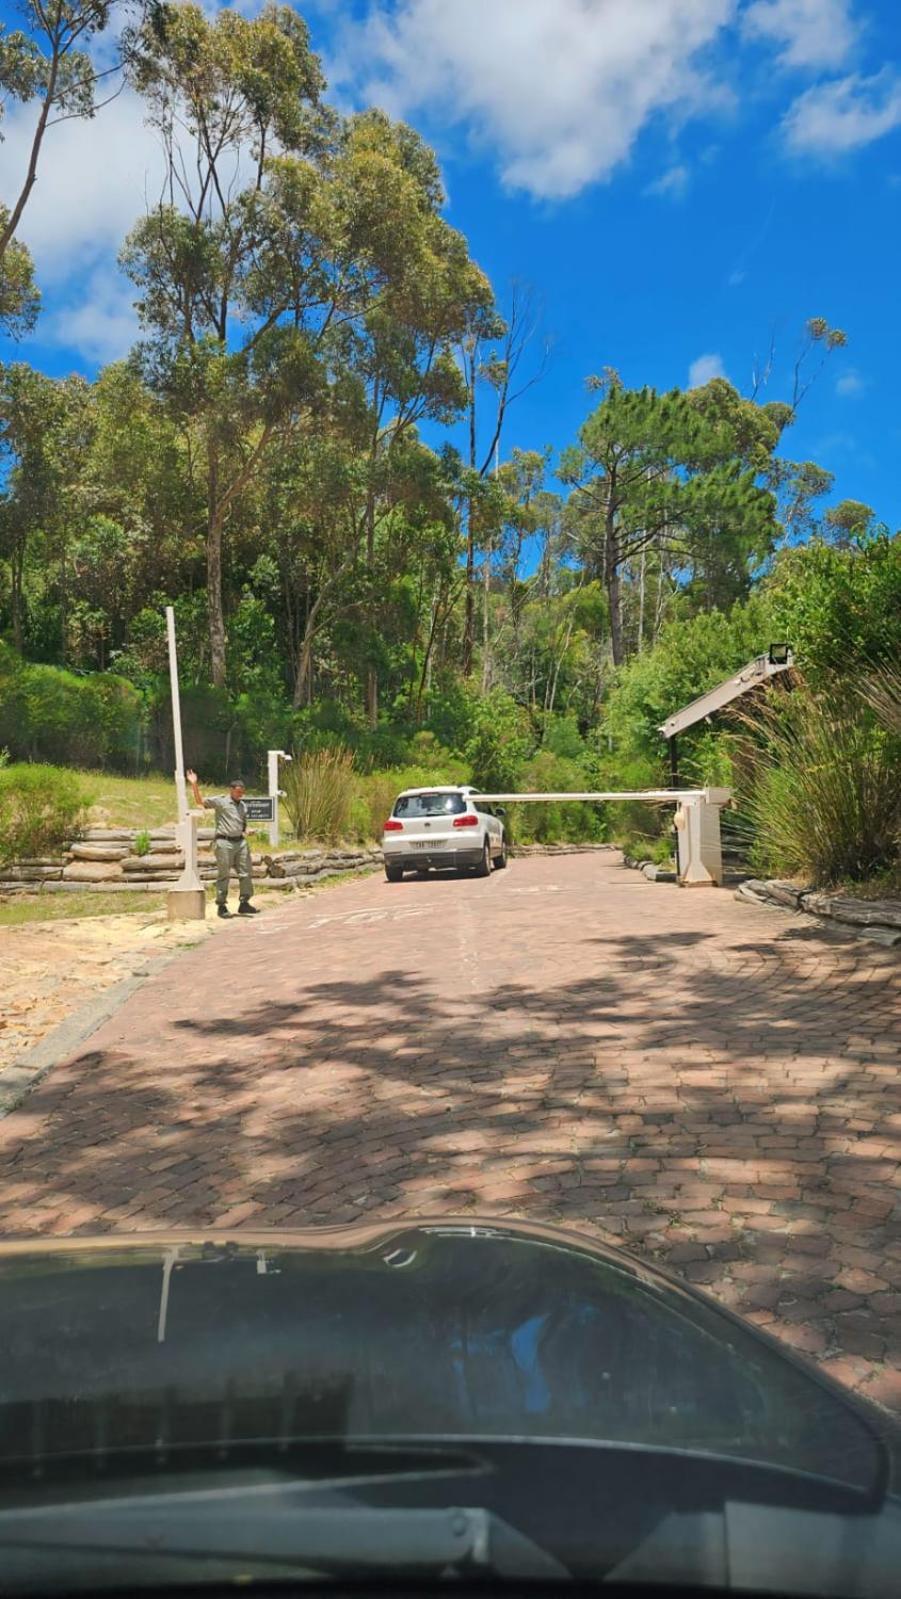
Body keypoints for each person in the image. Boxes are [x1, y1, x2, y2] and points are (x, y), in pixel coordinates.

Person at [186, 770, 260, 919]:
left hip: (240, 843)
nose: (240, 795)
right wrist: (194, 784)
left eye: (242, 792)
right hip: (224, 842)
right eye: (238, 792)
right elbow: (200, 802)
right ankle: (221, 905)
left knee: (246, 873)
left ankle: (244, 902)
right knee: (224, 874)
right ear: (231, 790)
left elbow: (243, 825)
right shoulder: (221, 801)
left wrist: (248, 831)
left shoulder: (243, 806)